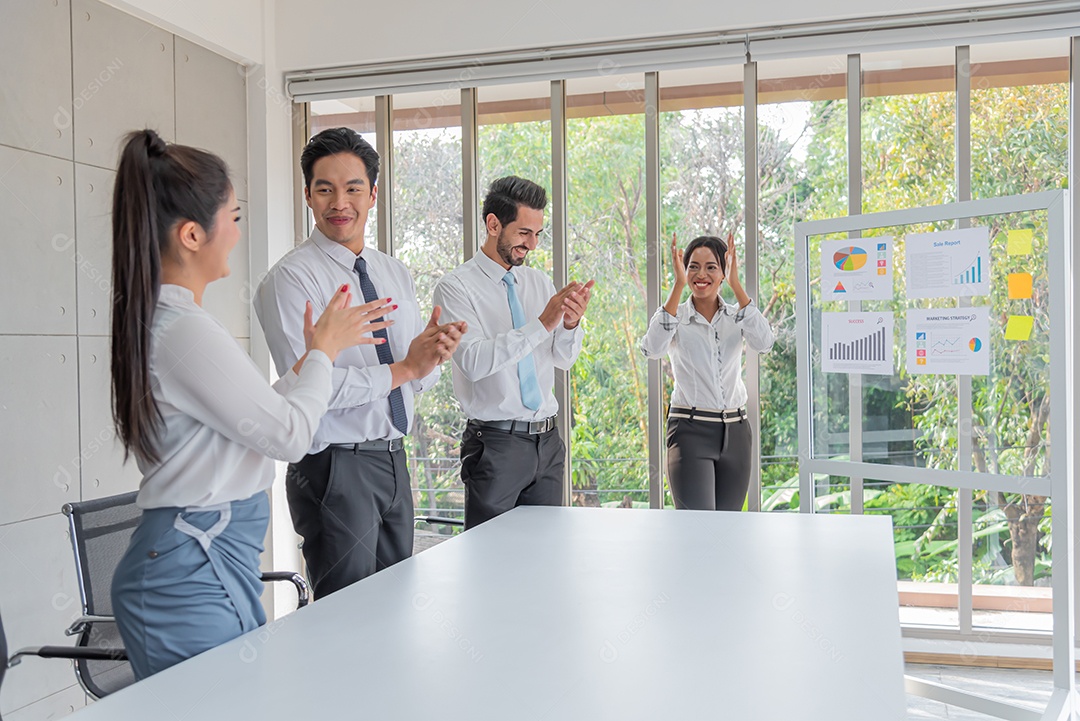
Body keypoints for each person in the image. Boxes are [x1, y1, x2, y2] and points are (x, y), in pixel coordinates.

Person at [108, 129, 392, 679]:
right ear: (194, 234)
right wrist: (324, 355)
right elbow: (288, 435)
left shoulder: (175, 322)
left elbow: (258, 418)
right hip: (191, 565)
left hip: (207, 558)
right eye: (233, 218)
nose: (237, 234)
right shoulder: (184, 329)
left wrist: (314, 356)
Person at [254, 128, 464, 599]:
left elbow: (409, 376)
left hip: (393, 458)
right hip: (334, 467)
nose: (339, 202)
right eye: (324, 188)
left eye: (352, 188)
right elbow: (310, 389)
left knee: (394, 608)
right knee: (345, 619)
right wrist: (404, 370)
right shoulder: (290, 280)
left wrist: (426, 361)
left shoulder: (393, 272)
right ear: (308, 194)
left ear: (372, 194)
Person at [433, 176, 594, 529]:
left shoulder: (538, 283)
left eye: (538, 234)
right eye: (523, 233)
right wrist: (542, 322)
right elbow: (474, 362)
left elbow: (563, 360)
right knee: (492, 561)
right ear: (493, 224)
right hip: (495, 446)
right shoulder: (456, 287)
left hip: (548, 444)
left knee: (545, 556)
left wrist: (569, 324)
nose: (532, 244)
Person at [640, 233, 774, 511]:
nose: (701, 274)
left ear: (724, 272)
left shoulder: (739, 315)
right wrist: (677, 287)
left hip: (736, 432)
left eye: (712, 266)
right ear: (684, 270)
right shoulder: (674, 316)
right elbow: (652, 349)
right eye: (693, 267)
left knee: (729, 529)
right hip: (690, 432)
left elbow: (764, 343)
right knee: (697, 531)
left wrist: (737, 285)